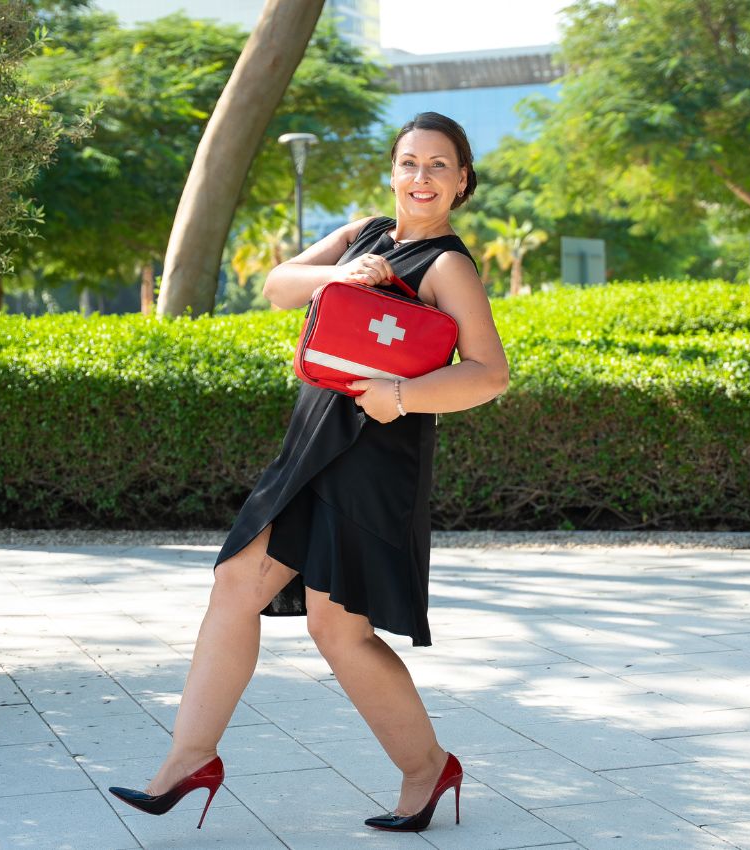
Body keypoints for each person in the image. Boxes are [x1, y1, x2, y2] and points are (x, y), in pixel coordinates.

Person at [108, 112, 510, 833]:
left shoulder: (448, 266)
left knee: (338, 630)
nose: (421, 177)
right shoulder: (364, 233)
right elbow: (278, 286)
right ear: (393, 172)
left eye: (438, 166)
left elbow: (489, 374)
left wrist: (400, 396)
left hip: (373, 459)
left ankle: (428, 770)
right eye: (409, 162)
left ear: (461, 182)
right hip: (310, 442)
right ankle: (189, 758)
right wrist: (340, 273)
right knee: (236, 582)